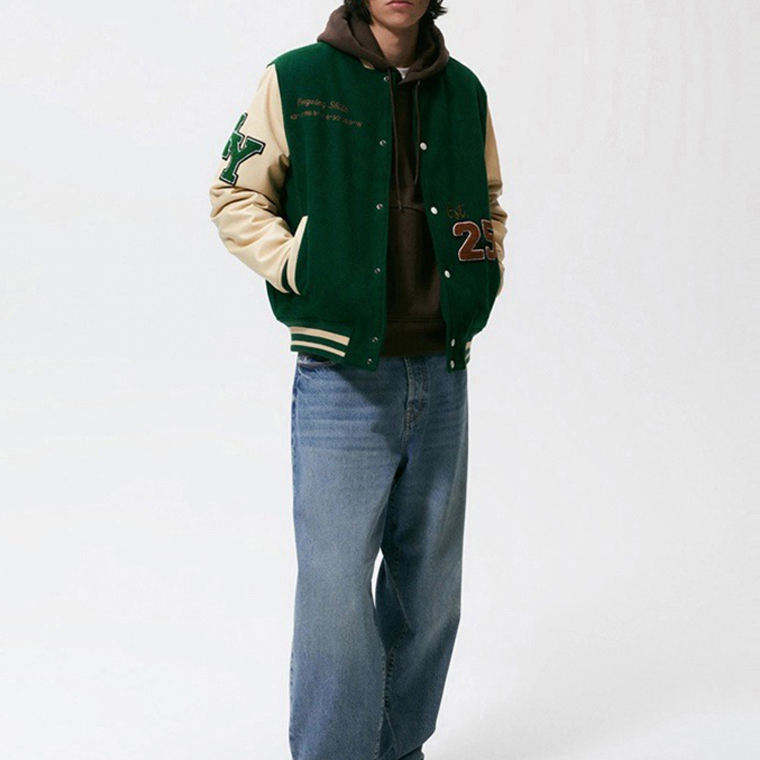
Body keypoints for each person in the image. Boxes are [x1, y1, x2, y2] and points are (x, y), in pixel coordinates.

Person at [209, 1, 507, 757]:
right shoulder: (297, 78)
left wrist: (483, 274)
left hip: (441, 370)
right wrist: (299, 266)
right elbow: (236, 193)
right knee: (337, 597)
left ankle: (397, 749)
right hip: (341, 380)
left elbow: (489, 201)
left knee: (429, 593)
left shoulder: (464, 91)